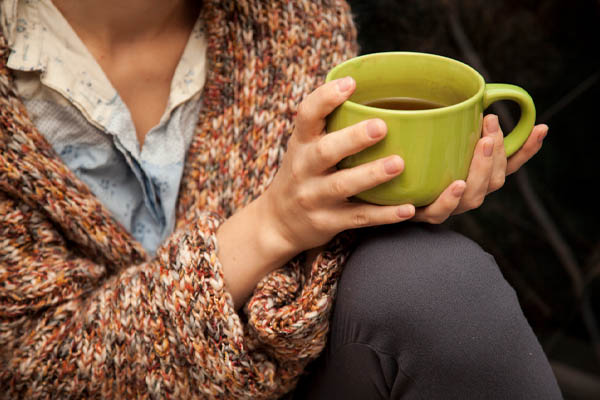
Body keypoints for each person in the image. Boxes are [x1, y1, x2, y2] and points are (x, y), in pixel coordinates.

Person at [0, 0, 562, 398]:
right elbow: (34, 376)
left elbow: (311, 281)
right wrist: (275, 225)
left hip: (291, 372)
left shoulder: (297, 16)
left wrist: (389, 197)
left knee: (434, 280)